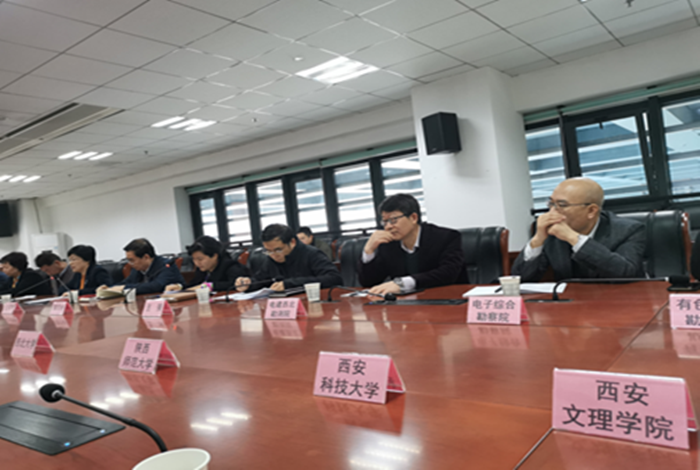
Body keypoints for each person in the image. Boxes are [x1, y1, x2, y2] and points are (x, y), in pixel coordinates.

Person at [512, 177, 646, 281]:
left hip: (620, 302)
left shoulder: (628, 230)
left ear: (591, 211)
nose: (552, 212)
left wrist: (573, 238)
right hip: (570, 303)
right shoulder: (551, 232)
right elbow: (522, 280)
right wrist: (537, 240)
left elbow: (626, 274)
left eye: (561, 205)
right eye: (551, 204)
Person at [357, 193, 465, 295]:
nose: (388, 227)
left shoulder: (446, 237)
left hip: (448, 300)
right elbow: (369, 282)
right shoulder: (388, 244)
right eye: (385, 222)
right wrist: (368, 251)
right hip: (406, 304)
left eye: (393, 220)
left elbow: (448, 273)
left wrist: (403, 283)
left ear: (413, 218)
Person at [235, 224, 342, 292]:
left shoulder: (312, 254)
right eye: (269, 251)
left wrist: (289, 284)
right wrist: (248, 283)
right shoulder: (271, 258)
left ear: (292, 242)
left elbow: (333, 278)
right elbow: (261, 280)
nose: (274, 255)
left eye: (278, 250)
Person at [100, 238, 184, 295]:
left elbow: (156, 286)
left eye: (132, 260)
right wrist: (109, 289)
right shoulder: (138, 268)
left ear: (146, 257)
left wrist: (124, 288)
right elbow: (127, 282)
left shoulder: (167, 265)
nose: (130, 263)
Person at [165, 236, 248, 292]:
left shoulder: (230, 266)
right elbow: (195, 285)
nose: (196, 263)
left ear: (214, 256)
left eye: (200, 259)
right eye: (194, 259)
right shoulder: (202, 269)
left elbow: (235, 284)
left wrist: (209, 286)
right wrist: (180, 287)